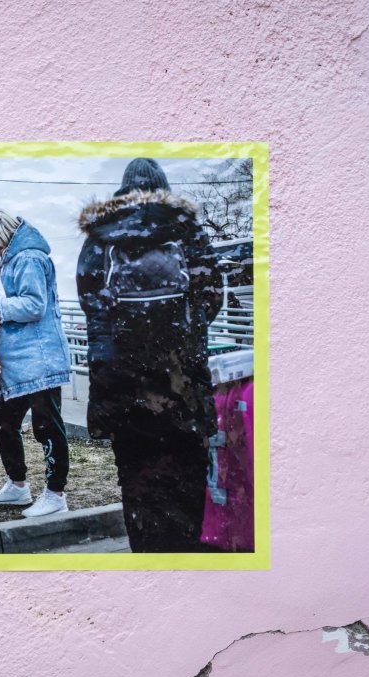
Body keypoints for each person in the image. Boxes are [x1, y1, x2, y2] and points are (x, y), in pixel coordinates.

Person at [76, 158, 223, 552]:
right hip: (182, 382)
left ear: (123, 191)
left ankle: (146, 554)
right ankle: (185, 558)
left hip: (125, 387)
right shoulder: (186, 230)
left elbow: (93, 307)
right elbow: (212, 297)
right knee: (185, 479)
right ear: (163, 187)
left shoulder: (100, 238)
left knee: (138, 479)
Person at [0, 210, 73, 518]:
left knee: (47, 426)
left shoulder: (28, 258)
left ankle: (56, 495)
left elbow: (34, 305)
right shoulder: (13, 258)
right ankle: (18, 487)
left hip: (40, 359)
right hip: (23, 361)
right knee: (2, 420)